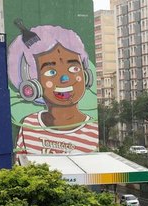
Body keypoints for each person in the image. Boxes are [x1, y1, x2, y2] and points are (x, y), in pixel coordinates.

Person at [7, 22, 98, 155]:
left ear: (86, 75)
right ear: (32, 84)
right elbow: (21, 165)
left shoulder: (93, 129)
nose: (65, 79)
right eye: (51, 72)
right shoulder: (29, 125)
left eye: (74, 68)